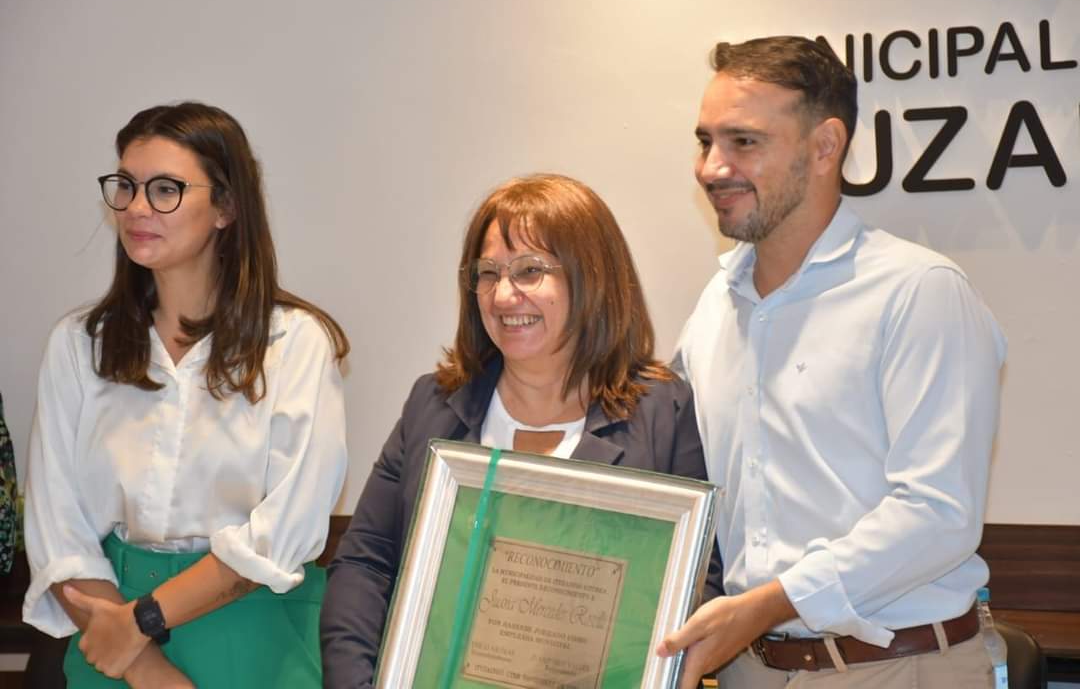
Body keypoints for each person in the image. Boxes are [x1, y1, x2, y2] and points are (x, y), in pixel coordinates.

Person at [657, 36, 1007, 688]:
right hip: (748, 668)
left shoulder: (919, 291)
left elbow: (939, 515)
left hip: (897, 668)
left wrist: (768, 604)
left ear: (825, 146)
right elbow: (673, 470)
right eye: (706, 142)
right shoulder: (714, 306)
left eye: (744, 142)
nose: (711, 167)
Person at [321, 173, 723, 688]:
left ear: (592, 279)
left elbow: (696, 588)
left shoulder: (664, 411)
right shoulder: (433, 405)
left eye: (530, 271)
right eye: (488, 273)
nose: (503, 295)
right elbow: (366, 563)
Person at [22, 102, 349, 688]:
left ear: (226, 207)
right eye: (127, 186)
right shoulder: (78, 344)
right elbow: (59, 532)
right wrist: (148, 668)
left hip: (250, 626)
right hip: (108, 632)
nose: (136, 208)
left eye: (165, 189)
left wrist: (145, 621)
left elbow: (284, 531)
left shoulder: (296, 343)